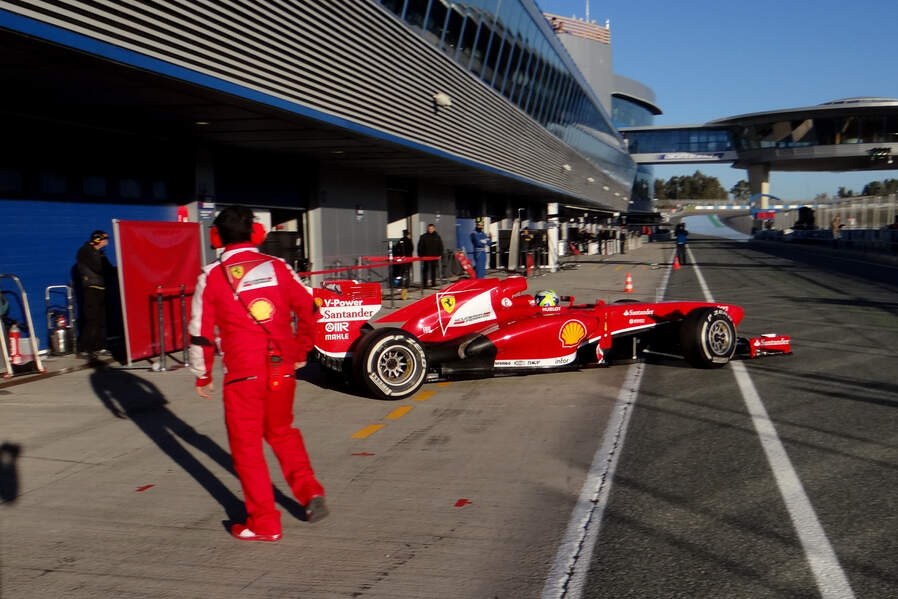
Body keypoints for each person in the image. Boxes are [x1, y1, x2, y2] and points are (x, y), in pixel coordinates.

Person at [189, 206, 327, 542]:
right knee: (282, 432)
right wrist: (300, 350)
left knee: (247, 450)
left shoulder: (210, 276)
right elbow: (310, 309)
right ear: (257, 235)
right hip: (282, 369)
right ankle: (310, 492)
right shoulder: (279, 268)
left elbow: (200, 332)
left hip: (242, 375)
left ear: (215, 238)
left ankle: (265, 522)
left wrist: (202, 374)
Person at [75, 230, 112, 358]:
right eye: (104, 239)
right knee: (91, 319)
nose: (106, 242)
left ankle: (100, 346)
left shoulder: (99, 253)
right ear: (97, 240)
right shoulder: (86, 251)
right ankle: (84, 349)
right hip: (91, 288)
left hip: (101, 288)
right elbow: (99, 267)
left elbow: (108, 269)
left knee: (101, 319)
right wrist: (102, 259)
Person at [417, 223, 444, 287]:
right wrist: (420, 255)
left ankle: (433, 283)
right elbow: (420, 246)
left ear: (434, 229)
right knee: (425, 270)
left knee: (433, 270)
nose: (430, 230)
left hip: (434, 256)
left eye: (432, 229)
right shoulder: (423, 236)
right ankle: (425, 283)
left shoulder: (437, 236)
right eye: (429, 229)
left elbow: (440, 246)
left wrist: (440, 254)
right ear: (427, 229)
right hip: (425, 256)